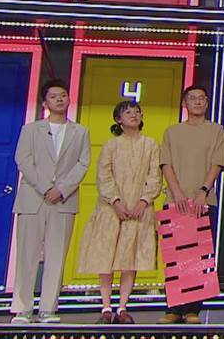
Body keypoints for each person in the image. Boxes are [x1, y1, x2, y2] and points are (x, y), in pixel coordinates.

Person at [9, 79, 90, 324]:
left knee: (57, 255)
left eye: (63, 95)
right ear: (45, 103)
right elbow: (23, 160)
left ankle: (48, 308)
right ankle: (22, 308)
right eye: (53, 96)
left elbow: (83, 163)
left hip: (64, 201)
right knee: (27, 254)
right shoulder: (30, 129)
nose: (59, 99)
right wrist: (46, 188)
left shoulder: (80, 131)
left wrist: (62, 189)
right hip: (33, 199)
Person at [76, 101, 162, 324]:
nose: (134, 115)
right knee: (106, 255)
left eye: (137, 111)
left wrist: (143, 201)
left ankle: (123, 307)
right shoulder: (111, 146)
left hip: (139, 209)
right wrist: (115, 201)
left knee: (129, 257)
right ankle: (106, 307)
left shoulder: (151, 144)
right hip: (110, 209)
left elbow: (155, 176)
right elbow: (103, 176)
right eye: (128, 112)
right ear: (118, 119)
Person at [158, 86, 224, 324]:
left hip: (203, 201)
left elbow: (217, 163)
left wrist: (202, 191)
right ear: (184, 103)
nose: (197, 102)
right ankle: (173, 308)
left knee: (198, 257)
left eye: (201, 98)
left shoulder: (216, 131)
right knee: (175, 257)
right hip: (175, 200)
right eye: (192, 98)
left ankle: (192, 310)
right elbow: (165, 163)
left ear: (207, 103)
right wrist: (177, 192)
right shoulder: (172, 132)